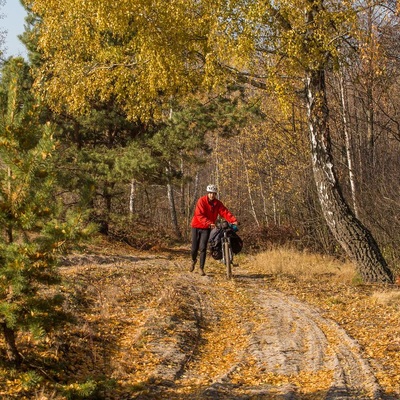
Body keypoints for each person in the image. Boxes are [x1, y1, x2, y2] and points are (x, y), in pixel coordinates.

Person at [190, 184, 238, 276]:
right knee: (194, 249)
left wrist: (233, 220)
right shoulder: (201, 201)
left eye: (214, 193)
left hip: (207, 228)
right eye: (210, 193)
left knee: (203, 247)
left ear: (215, 194)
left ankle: (201, 268)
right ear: (207, 193)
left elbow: (225, 212)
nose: (212, 195)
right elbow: (199, 215)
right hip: (197, 226)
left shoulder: (217, 203)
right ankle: (193, 260)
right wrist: (209, 222)